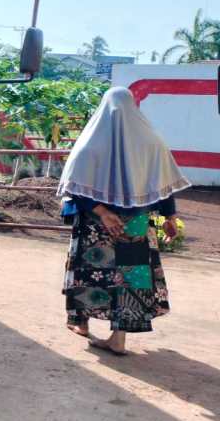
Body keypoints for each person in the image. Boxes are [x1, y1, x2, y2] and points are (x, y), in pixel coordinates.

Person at [58, 86, 189, 355]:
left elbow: (74, 184)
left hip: (97, 224)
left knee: (90, 273)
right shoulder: (151, 142)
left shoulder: (91, 142)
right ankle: (119, 338)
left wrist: (103, 212)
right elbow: (163, 182)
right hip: (135, 223)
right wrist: (170, 216)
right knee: (130, 277)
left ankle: (81, 321)